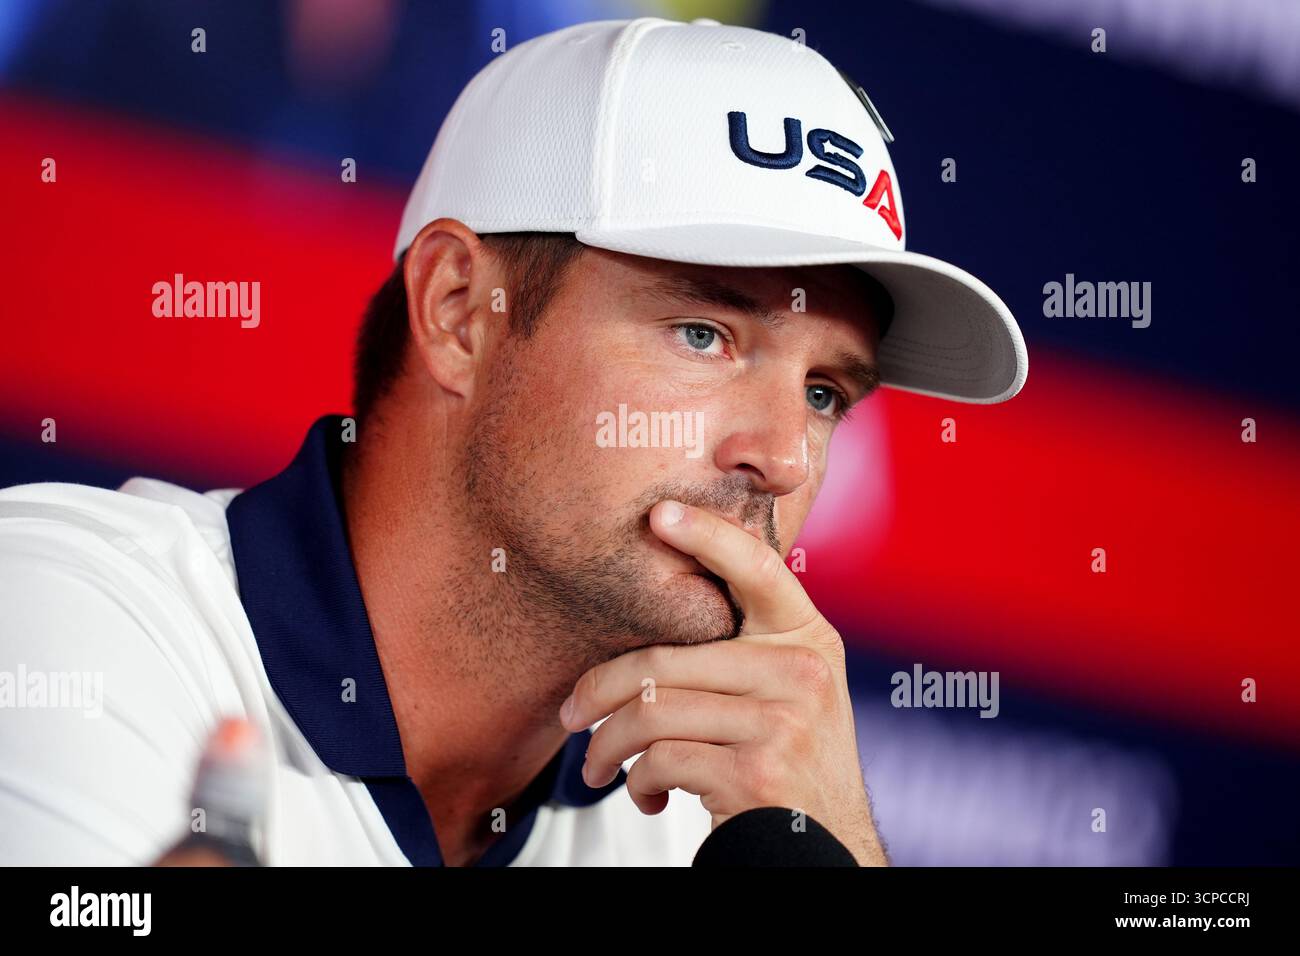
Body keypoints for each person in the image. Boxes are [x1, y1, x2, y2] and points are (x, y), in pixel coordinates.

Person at [0, 16, 1027, 866]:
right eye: (705, 333)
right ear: (458, 311)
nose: (786, 458)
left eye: (822, 390)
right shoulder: (61, 615)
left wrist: (829, 844)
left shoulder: (690, 823)